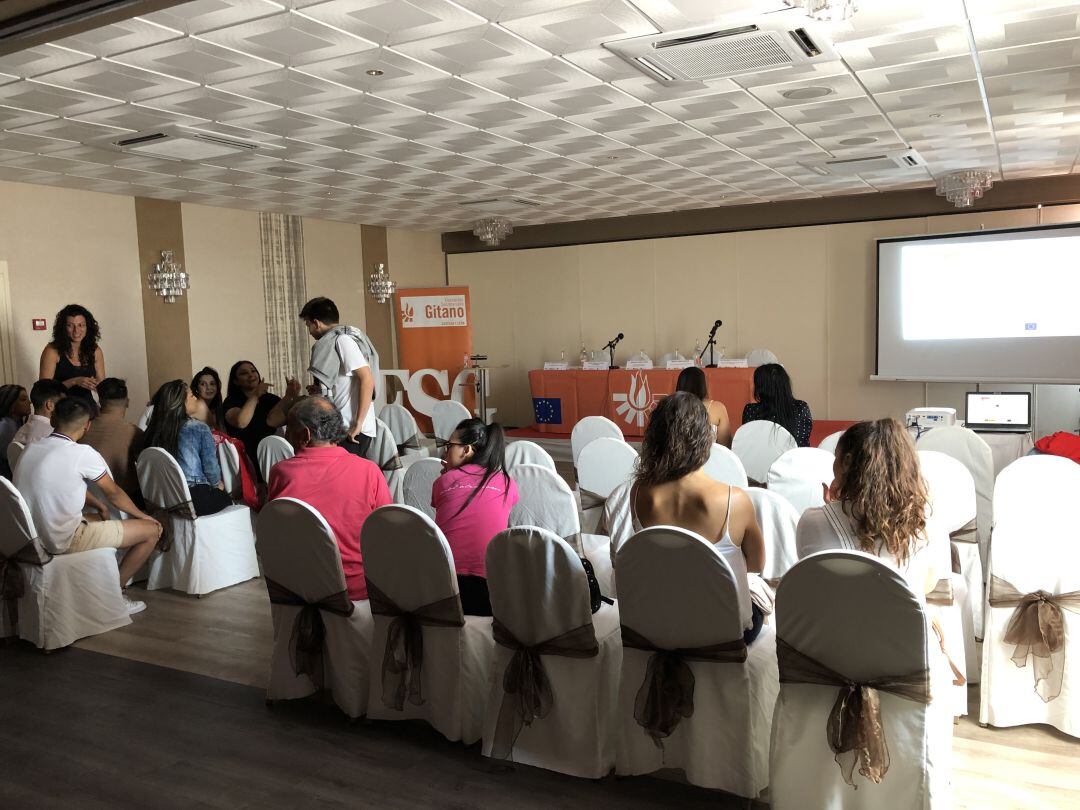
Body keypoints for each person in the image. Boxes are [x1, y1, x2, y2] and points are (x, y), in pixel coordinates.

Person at [631, 391, 766, 644]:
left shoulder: (638, 491)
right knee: (762, 600)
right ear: (705, 439)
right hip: (722, 629)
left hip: (663, 620)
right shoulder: (733, 500)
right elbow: (757, 564)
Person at [14, 397, 161, 613]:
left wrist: (99, 507)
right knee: (152, 531)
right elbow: (114, 494)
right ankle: (115, 594)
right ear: (87, 425)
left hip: (29, 536)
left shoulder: (31, 448)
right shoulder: (82, 453)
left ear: (53, 419)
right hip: (61, 539)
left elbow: (60, 485)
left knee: (100, 516)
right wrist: (143, 516)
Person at [796, 418, 939, 597]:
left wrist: (832, 510)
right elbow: (928, 585)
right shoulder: (922, 522)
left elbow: (816, 583)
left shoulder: (812, 522)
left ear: (846, 462)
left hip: (835, 623)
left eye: (835, 457)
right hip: (901, 624)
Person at [268, 396, 391, 601]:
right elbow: (385, 533)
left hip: (300, 588)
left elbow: (275, 532)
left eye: (288, 427)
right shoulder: (368, 470)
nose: (286, 433)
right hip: (358, 589)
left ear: (305, 435)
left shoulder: (281, 473)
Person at [432, 418, 518, 617]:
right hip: (492, 590)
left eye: (449, 445)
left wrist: (449, 475)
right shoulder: (507, 482)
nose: (445, 451)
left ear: (466, 450)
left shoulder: (443, 481)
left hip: (445, 587)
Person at [299, 296, 379, 457]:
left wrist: (358, 423)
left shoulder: (343, 340)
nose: (309, 331)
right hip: (344, 426)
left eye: (308, 325)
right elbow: (346, 382)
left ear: (316, 323)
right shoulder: (336, 341)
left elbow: (367, 379)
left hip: (351, 428)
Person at [144, 380, 233, 516]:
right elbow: (211, 469)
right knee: (228, 498)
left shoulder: (152, 431)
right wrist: (218, 485)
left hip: (161, 499)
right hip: (192, 498)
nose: (196, 398)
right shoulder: (199, 428)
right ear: (181, 403)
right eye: (192, 396)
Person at [222, 360, 299, 470]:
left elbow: (288, 418)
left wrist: (290, 396)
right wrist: (255, 396)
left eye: (253, 371)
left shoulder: (270, 399)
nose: (250, 375)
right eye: (244, 373)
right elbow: (241, 422)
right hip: (245, 461)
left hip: (271, 459)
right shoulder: (231, 401)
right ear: (236, 381)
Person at [80, 377, 144, 506]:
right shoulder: (133, 432)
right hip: (123, 503)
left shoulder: (81, 428)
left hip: (86, 500)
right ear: (127, 402)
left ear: (100, 402)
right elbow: (145, 470)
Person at [39, 304, 104, 402]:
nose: (76, 331)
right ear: (63, 328)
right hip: (61, 409)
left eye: (81, 325)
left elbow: (102, 386)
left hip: (87, 407)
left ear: (88, 327)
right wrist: (74, 381)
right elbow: (43, 391)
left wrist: (98, 387)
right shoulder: (52, 351)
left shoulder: (95, 350)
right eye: (70, 326)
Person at [741, 363, 813, 447]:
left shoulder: (750, 410)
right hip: (795, 458)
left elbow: (747, 442)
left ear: (760, 388)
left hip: (761, 459)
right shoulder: (801, 407)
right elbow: (803, 442)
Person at [676, 365, 731, 446]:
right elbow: (725, 446)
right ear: (703, 385)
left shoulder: (669, 407)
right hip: (712, 458)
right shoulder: (718, 408)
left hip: (677, 458)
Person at [13, 380, 67, 449]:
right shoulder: (53, 434)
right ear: (50, 405)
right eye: (63, 403)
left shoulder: (22, 429)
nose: (66, 407)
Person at [0, 384, 31, 478]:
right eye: (23, 399)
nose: (29, 402)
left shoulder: (16, 422)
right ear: (10, 404)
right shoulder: (6, 425)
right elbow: (11, 458)